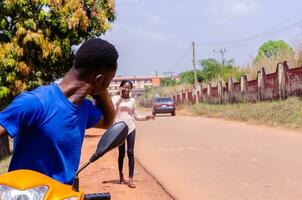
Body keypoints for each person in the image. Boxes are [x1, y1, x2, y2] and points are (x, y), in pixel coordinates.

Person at [0, 38, 118, 185]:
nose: (107, 86)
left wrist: (99, 87)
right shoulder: (36, 103)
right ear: (99, 80)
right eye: (110, 81)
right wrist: (99, 85)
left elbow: (107, 122)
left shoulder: (84, 109)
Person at [111, 80, 154, 188]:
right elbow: (112, 109)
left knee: (130, 152)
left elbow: (136, 116)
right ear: (121, 87)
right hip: (119, 129)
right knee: (121, 153)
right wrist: (120, 96)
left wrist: (146, 118)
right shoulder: (115, 99)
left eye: (129, 88)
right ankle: (121, 175)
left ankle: (131, 179)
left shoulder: (132, 100)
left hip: (130, 128)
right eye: (125, 87)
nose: (127, 89)